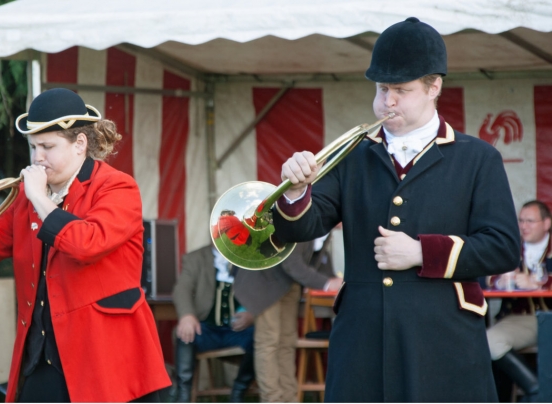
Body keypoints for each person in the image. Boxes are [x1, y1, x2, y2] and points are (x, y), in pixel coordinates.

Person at [271, 17, 521, 401]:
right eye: (382, 88)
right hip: (362, 343)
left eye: (401, 90)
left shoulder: (478, 158)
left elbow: (503, 248)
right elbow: (303, 228)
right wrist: (295, 192)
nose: (387, 101)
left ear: (434, 87)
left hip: (444, 342)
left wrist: (422, 251)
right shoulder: (352, 155)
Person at [0, 88, 171, 402]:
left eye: (47, 147)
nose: (37, 157)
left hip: (108, 356)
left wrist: (41, 199)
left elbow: (87, 244)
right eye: (33, 147)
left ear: (80, 144)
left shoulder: (117, 187)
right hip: (43, 353)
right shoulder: (29, 198)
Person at [233, 239, 341, 402]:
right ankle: (272, 399)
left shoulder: (327, 228)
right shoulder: (307, 220)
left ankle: (289, 398)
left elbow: (316, 260)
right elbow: (291, 262)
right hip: (266, 280)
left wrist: (330, 281)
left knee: (287, 342)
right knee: (268, 342)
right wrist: (326, 283)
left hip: (289, 283)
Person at [486, 200, 552, 401]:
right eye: (521, 221)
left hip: (548, 317)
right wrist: (501, 280)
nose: (523, 226)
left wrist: (539, 284)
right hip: (520, 320)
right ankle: (537, 390)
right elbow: (485, 276)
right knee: (488, 341)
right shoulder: (511, 248)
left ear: (547, 223)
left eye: (530, 221)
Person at [171, 245, 255, 402]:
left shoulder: (250, 258)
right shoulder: (195, 258)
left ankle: (238, 391)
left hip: (237, 331)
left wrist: (252, 316)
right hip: (206, 330)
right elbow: (182, 289)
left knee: (261, 337)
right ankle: (183, 395)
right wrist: (187, 315)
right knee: (184, 333)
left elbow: (261, 292)